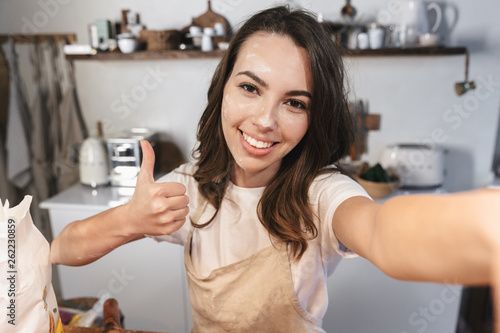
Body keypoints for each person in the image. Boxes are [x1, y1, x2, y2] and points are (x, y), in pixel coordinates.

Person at [50, 6, 500, 332]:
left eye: (294, 102)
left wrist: (483, 226)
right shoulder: (192, 188)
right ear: (223, 89)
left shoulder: (321, 194)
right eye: (250, 87)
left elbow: (381, 232)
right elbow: (63, 249)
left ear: (313, 117)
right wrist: (128, 219)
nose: (265, 120)